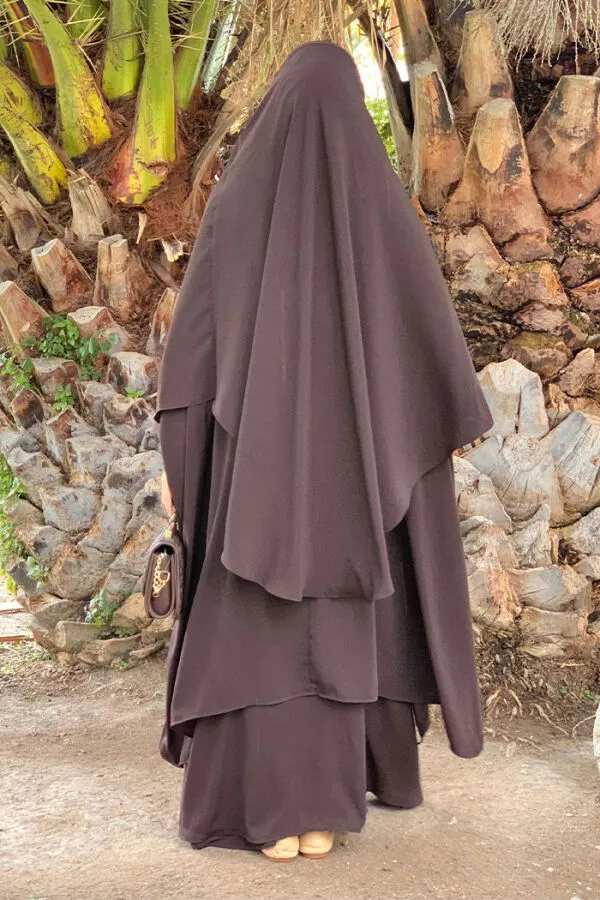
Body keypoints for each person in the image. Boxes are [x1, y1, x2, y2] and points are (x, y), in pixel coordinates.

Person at [155, 40, 493, 862]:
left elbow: (191, 362)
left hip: (250, 492)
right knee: (344, 623)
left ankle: (269, 810)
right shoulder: (380, 211)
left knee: (255, 627)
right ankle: (324, 807)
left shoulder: (238, 205)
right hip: (357, 492)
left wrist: (183, 470)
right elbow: (427, 361)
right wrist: (405, 451)